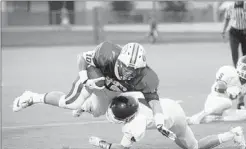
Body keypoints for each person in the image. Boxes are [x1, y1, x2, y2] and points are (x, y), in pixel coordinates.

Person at [13, 41, 174, 138]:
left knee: (98, 112)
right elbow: (82, 57)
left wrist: (160, 122)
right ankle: (32, 97)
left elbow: (153, 100)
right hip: (94, 78)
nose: (128, 73)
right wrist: (85, 79)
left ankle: (86, 106)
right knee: (69, 103)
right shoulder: (108, 52)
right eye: (126, 67)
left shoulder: (147, 77)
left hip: (112, 89)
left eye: (133, 70)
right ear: (119, 60)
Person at [88, 93, 246, 149]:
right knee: (185, 126)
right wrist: (84, 108)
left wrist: (100, 143)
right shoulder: (130, 97)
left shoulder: (135, 124)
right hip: (169, 105)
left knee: (193, 147)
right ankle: (229, 132)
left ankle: (233, 134)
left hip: (173, 120)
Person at [187, 55, 246, 125]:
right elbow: (218, 87)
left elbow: (242, 94)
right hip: (213, 102)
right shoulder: (230, 72)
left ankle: (214, 119)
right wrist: (228, 90)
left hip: (224, 109)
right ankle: (198, 116)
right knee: (227, 102)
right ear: (239, 66)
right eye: (245, 68)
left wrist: (241, 104)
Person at [221, 1, 246, 67]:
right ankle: (236, 69)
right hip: (234, 32)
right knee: (234, 52)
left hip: (245, 32)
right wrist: (223, 30)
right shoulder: (230, 7)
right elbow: (227, 19)